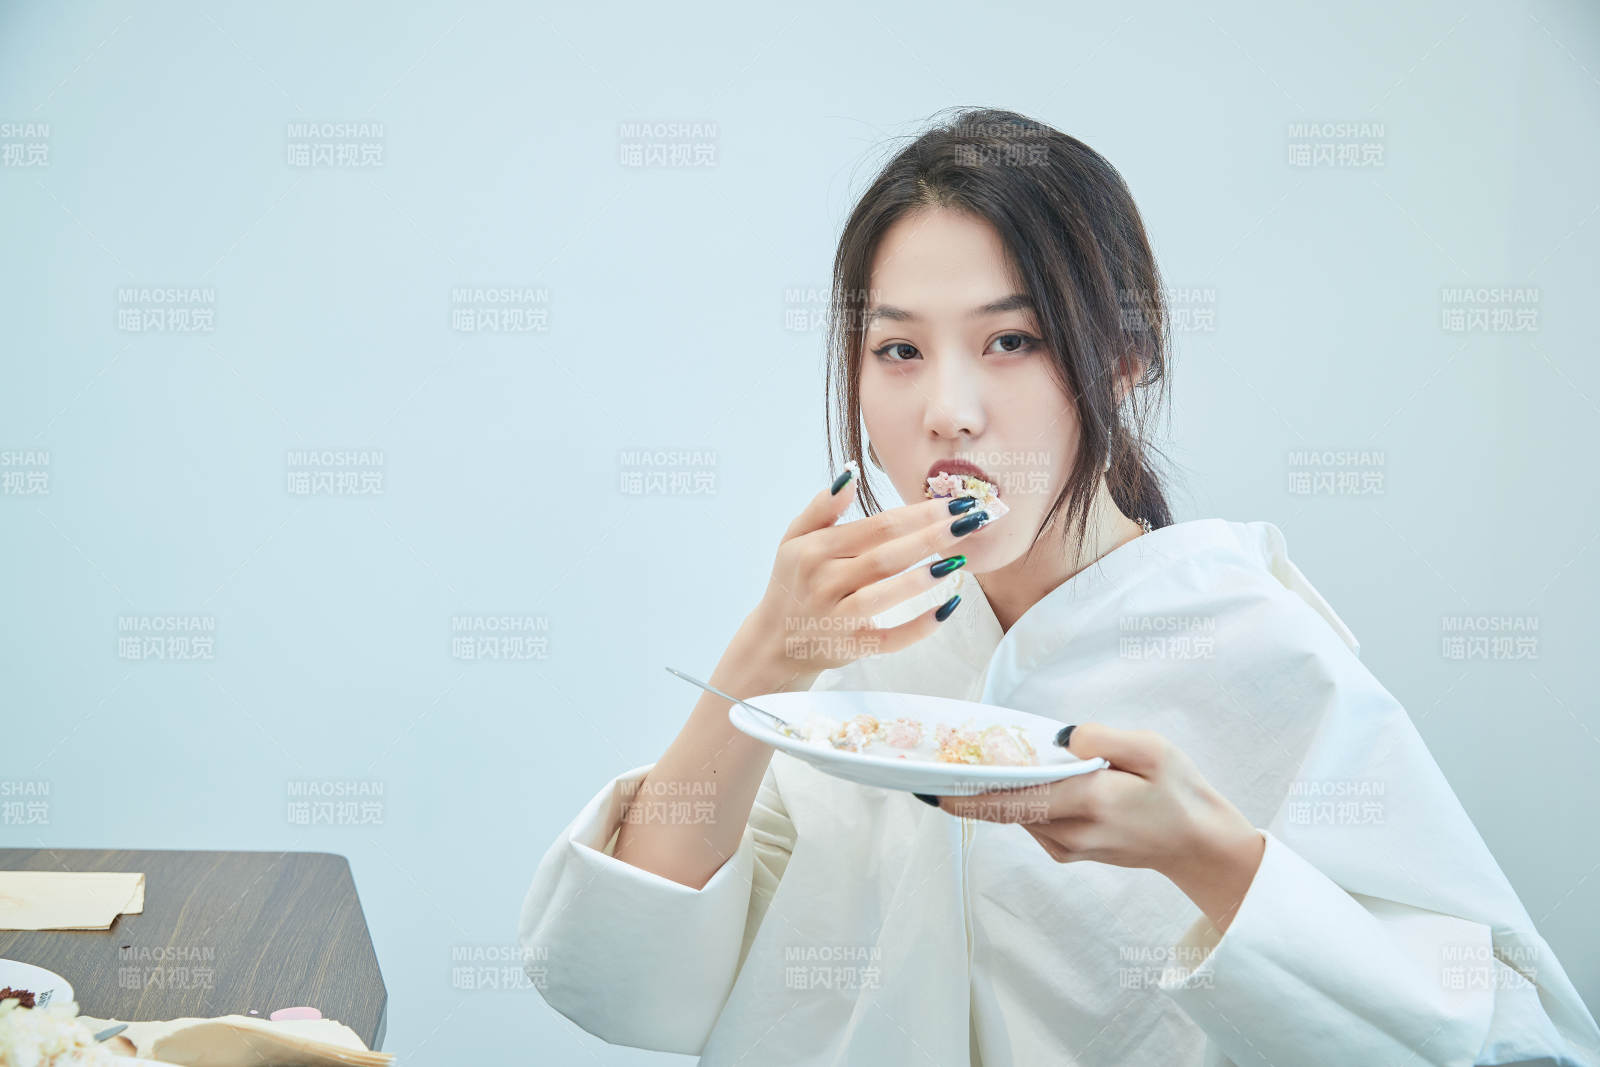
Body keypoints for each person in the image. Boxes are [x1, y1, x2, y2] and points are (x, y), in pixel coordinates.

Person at [517, 107, 1600, 1065]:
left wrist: (1207, 856)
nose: (947, 408)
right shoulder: (862, 659)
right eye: (897, 350)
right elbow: (617, 980)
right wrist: (762, 660)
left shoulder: (1249, 644)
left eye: (1012, 339)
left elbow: (1519, 1044)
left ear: (1124, 354)